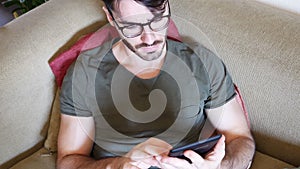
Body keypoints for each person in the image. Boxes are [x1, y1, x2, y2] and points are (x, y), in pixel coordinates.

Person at [57, 0, 255, 168]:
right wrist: (120, 164)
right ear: (110, 16)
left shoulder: (201, 62)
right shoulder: (85, 73)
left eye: (158, 20)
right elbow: (68, 160)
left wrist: (220, 166)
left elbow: (240, 139)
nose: (149, 38)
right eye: (132, 26)